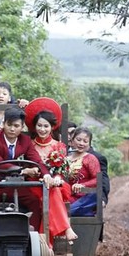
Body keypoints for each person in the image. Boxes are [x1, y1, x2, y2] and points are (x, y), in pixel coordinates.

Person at [0, 107, 48, 250]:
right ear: (3, 123)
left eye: (16, 126)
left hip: (14, 185)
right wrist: (24, 171)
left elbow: (37, 161)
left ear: (22, 127)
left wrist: (45, 173)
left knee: (35, 202)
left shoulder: (25, 141)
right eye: (9, 125)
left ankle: (31, 240)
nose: (12, 129)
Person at [25, 98, 79, 245]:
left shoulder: (59, 146)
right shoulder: (29, 144)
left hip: (56, 183)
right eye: (39, 125)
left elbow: (62, 168)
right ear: (35, 126)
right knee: (49, 193)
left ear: (52, 127)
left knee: (52, 191)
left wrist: (56, 177)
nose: (42, 129)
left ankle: (45, 245)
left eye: (46, 126)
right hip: (34, 184)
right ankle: (64, 229)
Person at [67, 121, 110, 205]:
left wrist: (83, 185)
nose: (81, 143)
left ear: (89, 144)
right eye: (78, 140)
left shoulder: (92, 158)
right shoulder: (65, 158)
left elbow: (100, 179)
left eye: (85, 141)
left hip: (83, 197)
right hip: (67, 195)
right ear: (72, 141)